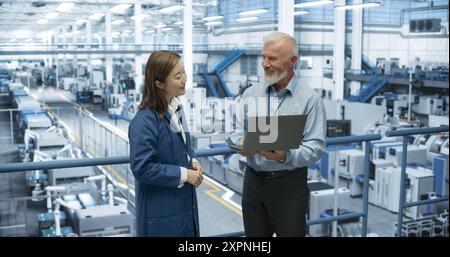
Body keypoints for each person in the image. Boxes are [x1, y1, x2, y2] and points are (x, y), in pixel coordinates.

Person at [228, 32, 326, 237]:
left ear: (292, 61)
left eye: (271, 58)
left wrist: (285, 156)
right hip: (253, 182)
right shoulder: (250, 94)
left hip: (289, 185)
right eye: (263, 57)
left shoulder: (310, 100)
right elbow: (235, 133)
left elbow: (315, 147)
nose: (264, 64)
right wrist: (242, 145)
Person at [129, 51, 203, 237]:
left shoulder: (177, 109)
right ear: (159, 84)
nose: (184, 79)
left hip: (184, 207)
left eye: (184, 72)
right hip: (161, 214)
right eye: (178, 76)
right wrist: (185, 174)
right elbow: (142, 167)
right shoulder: (145, 120)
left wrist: (192, 160)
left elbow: (185, 146)